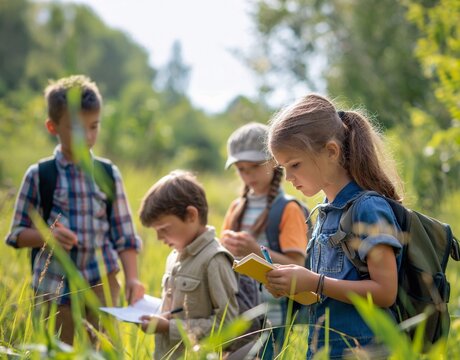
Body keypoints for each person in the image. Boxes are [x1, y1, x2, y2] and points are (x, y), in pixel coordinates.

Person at [5, 75, 145, 345]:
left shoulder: (108, 174)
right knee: (58, 350)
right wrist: (46, 236)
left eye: (94, 127)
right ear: (52, 126)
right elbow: (16, 234)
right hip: (53, 290)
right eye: (77, 129)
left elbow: (124, 235)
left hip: (102, 286)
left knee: (103, 350)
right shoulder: (39, 175)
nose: (88, 136)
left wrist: (133, 278)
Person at [265, 94, 403, 359]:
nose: (289, 177)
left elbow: (385, 292)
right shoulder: (325, 213)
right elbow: (329, 291)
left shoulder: (368, 209)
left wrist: (314, 282)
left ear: (331, 151)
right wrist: (293, 285)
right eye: (283, 168)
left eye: (294, 164)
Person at [221, 122, 309, 358]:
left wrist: (255, 250)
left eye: (255, 167)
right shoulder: (236, 208)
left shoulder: (288, 209)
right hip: (238, 311)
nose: (248, 175)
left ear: (274, 161)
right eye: (241, 169)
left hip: (274, 315)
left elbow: (297, 265)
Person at [138, 170, 239, 360]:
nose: (159, 238)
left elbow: (228, 327)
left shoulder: (214, 260)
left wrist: (169, 327)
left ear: (191, 215)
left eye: (164, 229)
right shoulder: (174, 256)